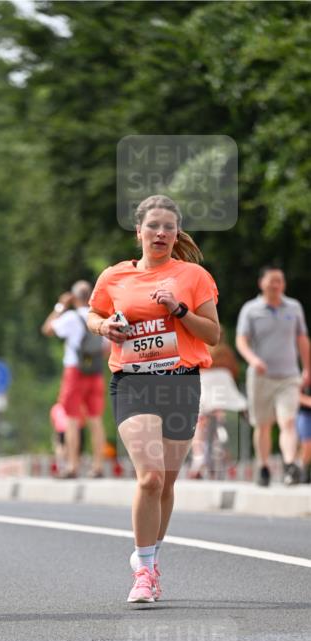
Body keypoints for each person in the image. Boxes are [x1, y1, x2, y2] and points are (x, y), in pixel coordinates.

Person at [86, 194, 220, 603]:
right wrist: (105, 326)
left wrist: (179, 309)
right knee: (150, 477)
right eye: (153, 226)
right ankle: (143, 572)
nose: (160, 233)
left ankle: (151, 557)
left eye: (168, 227)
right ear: (138, 230)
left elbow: (212, 334)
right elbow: (93, 314)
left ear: (176, 233)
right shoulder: (114, 277)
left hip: (180, 382)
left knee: (167, 483)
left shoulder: (193, 275)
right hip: (134, 383)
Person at [235, 266, 310, 487]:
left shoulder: (294, 307)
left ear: (284, 284)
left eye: (280, 281)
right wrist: (252, 359)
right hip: (261, 377)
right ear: (262, 283)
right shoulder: (251, 309)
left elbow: (302, 339)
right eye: (271, 281)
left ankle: (289, 465)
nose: (276, 285)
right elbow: (241, 340)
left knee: (288, 421)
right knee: (263, 424)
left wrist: (307, 368)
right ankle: (264, 466)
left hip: (288, 376)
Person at [42, 281, 108, 478]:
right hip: (95, 372)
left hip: (74, 371)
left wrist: (60, 305)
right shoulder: (99, 318)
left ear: (74, 297)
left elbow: (47, 329)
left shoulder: (71, 317)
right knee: (96, 420)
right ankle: (97, 466)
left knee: (71, 419)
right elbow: (107, 348)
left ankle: (72, 466)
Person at [188, 330, 247, 479]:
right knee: (218, 419)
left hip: (204, 382)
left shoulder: (200, 347)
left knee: (200, 423)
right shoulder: (226, 352)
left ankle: (199, 458)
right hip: (222, 383)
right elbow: (234, 370)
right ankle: (218, 447)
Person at [298, 377, 311, 484]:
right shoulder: (304, 376)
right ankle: (303, 470)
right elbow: (295, 395)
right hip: (306, 414)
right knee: (307, 445)